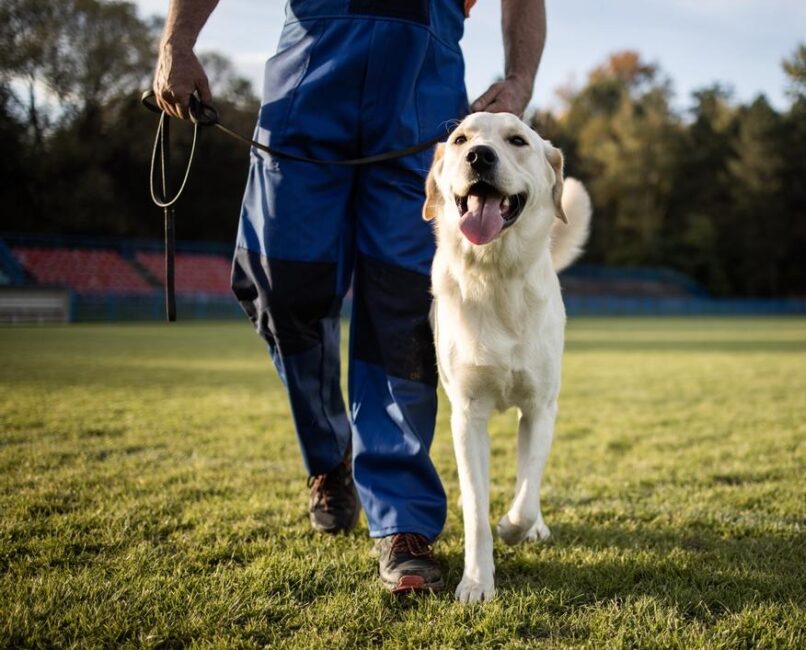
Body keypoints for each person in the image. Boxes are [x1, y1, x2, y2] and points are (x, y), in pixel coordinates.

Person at [152, 0, 546, 594]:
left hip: (421, 94)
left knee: (405, 312)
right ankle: (330, 457)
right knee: (277, 285)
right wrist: (176, 43)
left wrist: (520, 79)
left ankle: (403, 522)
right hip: (308, 82)